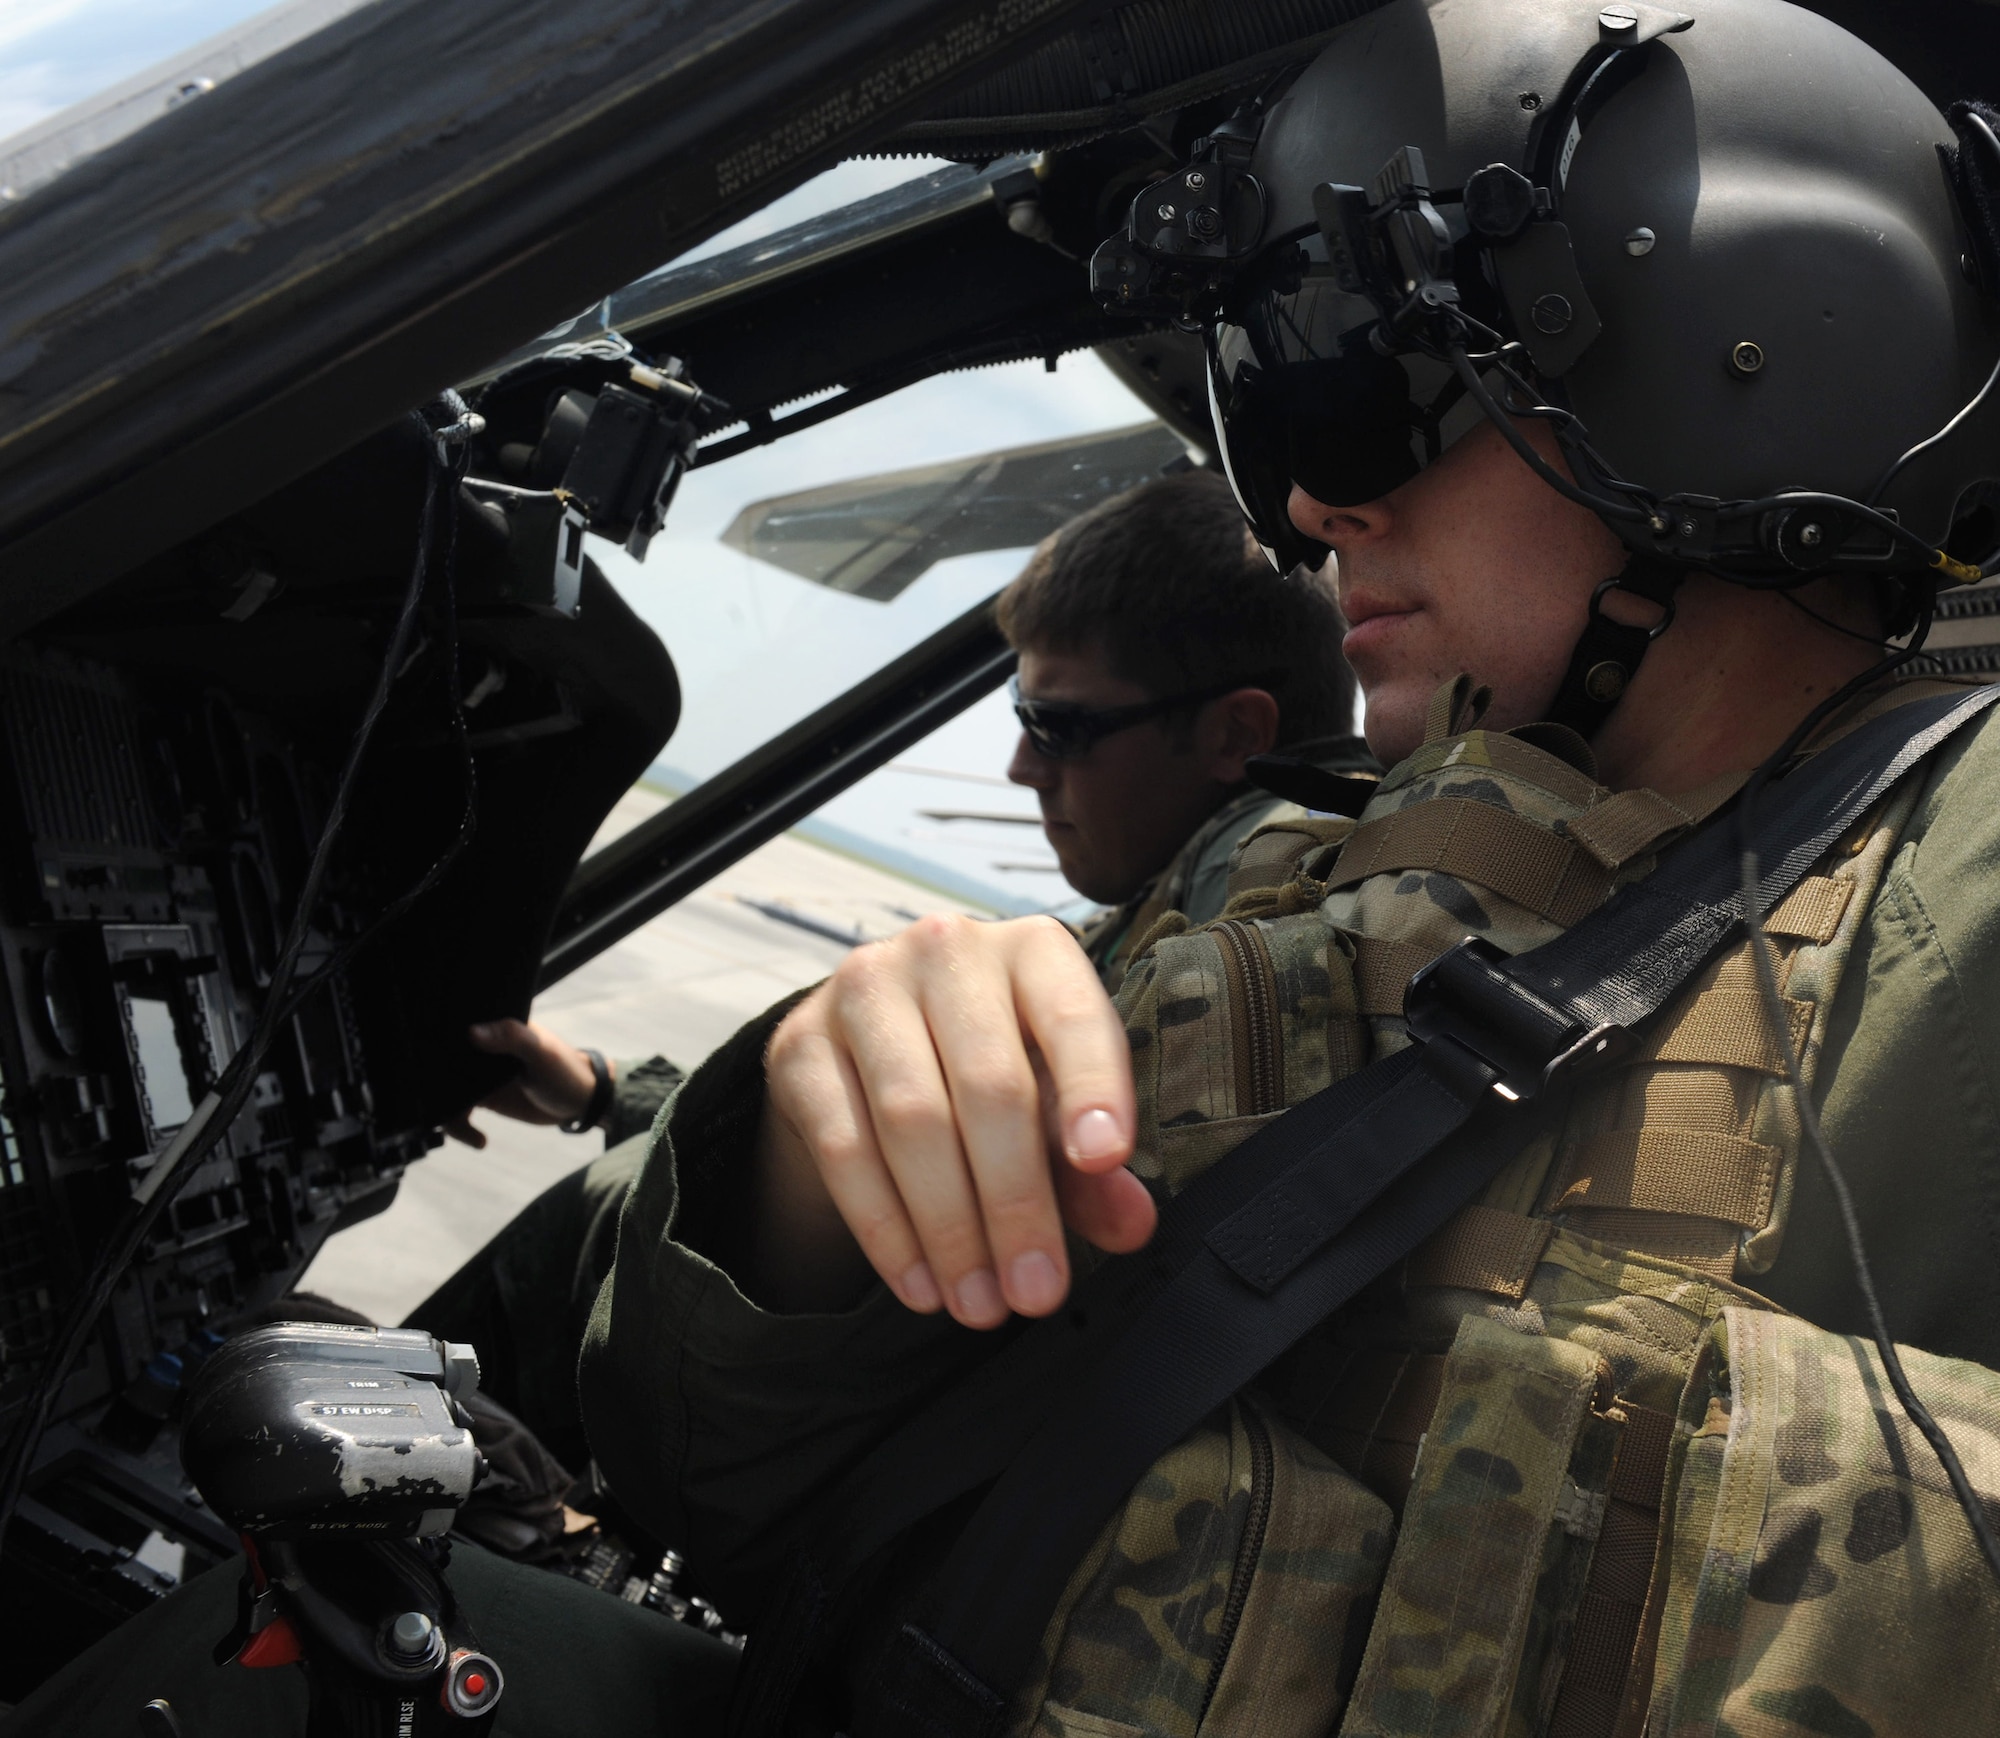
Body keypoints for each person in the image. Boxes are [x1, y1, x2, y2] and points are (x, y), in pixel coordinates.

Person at [20, 2, 2000, 1731]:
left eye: (1366, 379)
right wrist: (808, 1155)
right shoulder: (1339, 876)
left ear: (1736, 348)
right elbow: (690, 1448)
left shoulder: (1943, 926)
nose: (1313, 497)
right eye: (1277, 397)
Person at [405, 470, 1369, 1469]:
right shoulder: (1179, 904)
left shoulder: (1272, 885)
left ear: (1234, 734)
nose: (1020, 767)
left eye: (1059, 726)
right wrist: (605, 1091)